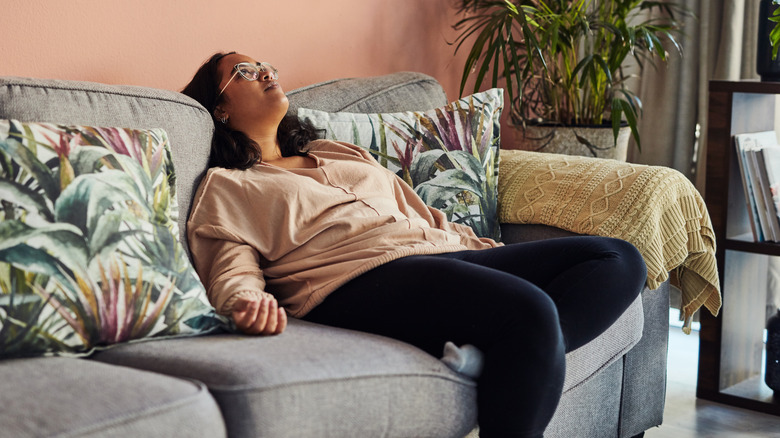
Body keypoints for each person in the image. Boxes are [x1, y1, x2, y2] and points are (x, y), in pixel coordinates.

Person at [181, 51, 647, 438]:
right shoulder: (229, 185)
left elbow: (418, 212)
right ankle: (516, 347)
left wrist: (484, 250)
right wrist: (244, 302)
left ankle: (504, 354)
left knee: (618, 257)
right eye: (243, 71)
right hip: (357, 279)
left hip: (437, 253)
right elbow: (229, 264)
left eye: (265, 64)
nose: (266, 71)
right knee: (530, 311)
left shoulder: (338, 153)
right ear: (219, 109)